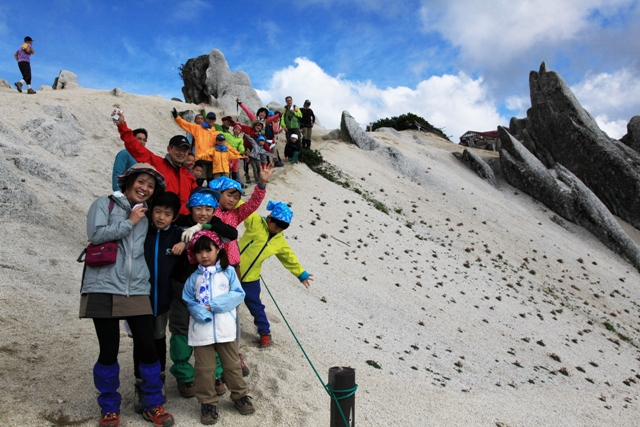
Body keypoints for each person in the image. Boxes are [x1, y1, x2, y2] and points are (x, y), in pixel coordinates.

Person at [79, 163, 175, 427]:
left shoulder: (147, 213)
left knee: (147, 347)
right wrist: (129, 222)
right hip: (103, 286)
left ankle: (152, 403)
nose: (145, 188)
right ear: (129, 181)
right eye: (141, 182)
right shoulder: (104, 204)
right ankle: (109, 407)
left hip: (137, 288)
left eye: (150, 185)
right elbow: (95, 235)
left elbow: (167, 229)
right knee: (109, 349)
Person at [169, 189, 238, 400]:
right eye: (198, 208)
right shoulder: (179, 222)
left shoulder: (215, 223)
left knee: (212, 327)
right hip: (182, 284)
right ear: (190, 208)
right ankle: (184, 375)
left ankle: (216, 375)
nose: (203, 213)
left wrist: (202, 226)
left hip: (210, 286)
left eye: (208, 209)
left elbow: (232, 233)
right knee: (180, 329)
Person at [182, 231, 255, 424]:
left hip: (225, 329)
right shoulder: (194, 277)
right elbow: (188, 299)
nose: (204, 255)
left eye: (208, 250)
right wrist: (201, 312)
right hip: (202, 330)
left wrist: (214, 305)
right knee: (204, 369)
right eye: (199, 252)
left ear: (217, 249)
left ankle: (239, 395)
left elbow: (238, 294)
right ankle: (208, 402)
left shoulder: (228, 272)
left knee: (231, 365)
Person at [132, 191, 185, 414]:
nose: (161, 217)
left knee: (159, 338)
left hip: (162, 299)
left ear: (174, 217)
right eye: (158, 211)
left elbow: (207, 228)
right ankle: (139, 382)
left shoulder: (178, 235)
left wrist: (183, 244)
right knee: (141, 340)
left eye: (167, 214)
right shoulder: (142, 229)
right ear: (150, 210)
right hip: (139, 298)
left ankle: (159, 377)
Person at [238, 201, 313, 347]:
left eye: (282, 228)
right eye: (276, 226)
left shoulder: (279, 241)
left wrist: (301, 274)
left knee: (256, 305)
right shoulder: (256, 222)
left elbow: (288, 257)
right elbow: (243, 207)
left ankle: (265, 333)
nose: (277, 230)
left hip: (252, 278)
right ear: (269, 218)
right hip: (232, 270)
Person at [115, 110, 196, 216]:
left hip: (182, 223)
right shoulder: (157, 163)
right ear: (169, 149)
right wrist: (122, 125)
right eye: (178, 149)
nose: (182, 153)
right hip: (159, 219)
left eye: (185, 150)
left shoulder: (189, 175)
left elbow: (196, 199)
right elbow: (137, 149)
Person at [172, 108, 219, 181]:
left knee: (211, 181)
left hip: (211, 160)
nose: (211, 120)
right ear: (206, 119)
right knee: (198, 180)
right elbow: (186, 125)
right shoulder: (198, 128)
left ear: (215, 120)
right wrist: (176, 117)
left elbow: (222, 145)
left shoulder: (215, 133)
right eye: (210, 118)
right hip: (200, 159)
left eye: (213, 119)